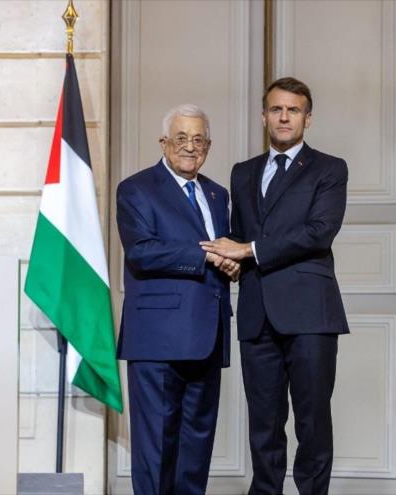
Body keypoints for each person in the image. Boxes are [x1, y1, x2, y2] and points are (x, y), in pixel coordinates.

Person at [200, 77, 349, 495]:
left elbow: (319, 233)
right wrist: (228, 259)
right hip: (256, 312)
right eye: (277, 109)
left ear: (308, 118)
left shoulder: (329, 168)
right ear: (264, 115)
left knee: (312, 419)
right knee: (263, 422)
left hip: (310, 314)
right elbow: (237, 236)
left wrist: (246, 250)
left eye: (294, 110)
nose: (284, 117)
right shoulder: (242, 171)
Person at [116, 104, 239, 494]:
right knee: (156, 448)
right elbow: (142, 251)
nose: (190, 147)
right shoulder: (136, 188)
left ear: (209, 146)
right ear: (164, 143)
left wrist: (234, 264)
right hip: (158, 339)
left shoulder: (218, 194)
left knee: (195, 447)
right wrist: (205, 255)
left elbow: (225, 251)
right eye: (181, 138)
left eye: (198, 140)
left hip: (207, 334)